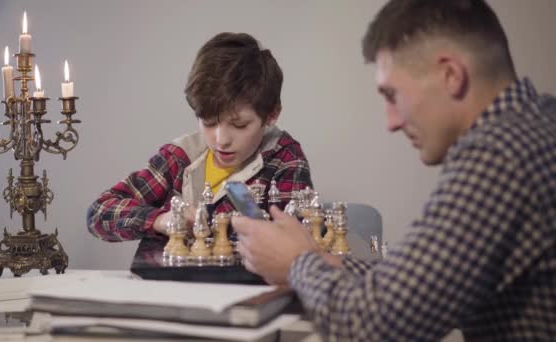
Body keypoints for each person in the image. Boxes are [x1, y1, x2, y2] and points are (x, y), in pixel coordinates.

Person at [232, 0, 556, 340]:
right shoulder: (536, 124)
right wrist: (319, 259)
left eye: (392, 95)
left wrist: (298, 264)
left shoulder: (498, 155)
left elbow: (375, 325)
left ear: (451, 75)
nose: (391, 122)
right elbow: (420, 284)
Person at [87, 32, 314, 257]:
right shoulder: (180, 157)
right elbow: (99, 213)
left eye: (240, 125)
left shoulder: (285, 159)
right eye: (208, 122)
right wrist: (159, 219)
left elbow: (294, 254)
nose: (220, 139)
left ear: (271, 115)